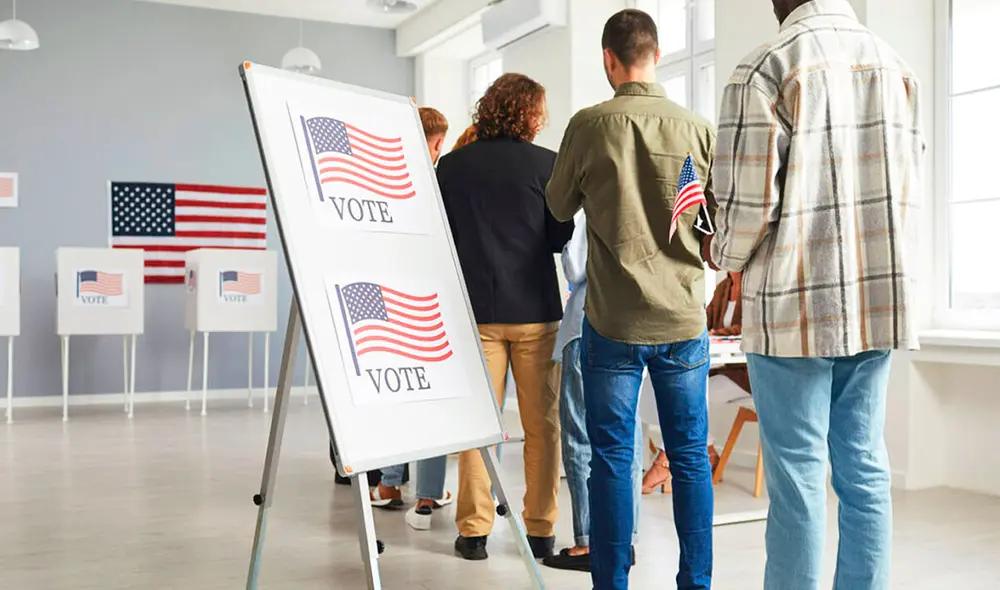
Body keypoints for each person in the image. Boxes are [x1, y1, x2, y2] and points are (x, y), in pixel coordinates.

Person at [707, 1, 925, 589]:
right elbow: (907, 187)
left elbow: (748, 207)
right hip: (877, 299)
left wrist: (719, 253)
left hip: (793, 302)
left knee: (799, 475)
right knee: (865, 468)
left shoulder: (766, 67)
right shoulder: (897, 66)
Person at [547, 9, 716, 589]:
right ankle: (696, 583)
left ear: (608, 60)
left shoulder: (588, 126)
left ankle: (611, 583)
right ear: (658, 54)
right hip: (682, 317)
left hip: (613, 319)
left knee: (612, 459)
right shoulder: (697, 129)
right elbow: (716, 223)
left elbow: (557, 207)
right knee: (690, 458)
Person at [436, 73, 574, 561]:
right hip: (535, 310)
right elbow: (560, 238)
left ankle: (474, 532)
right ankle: (540, 530)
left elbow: (440, 238)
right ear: (531, 114)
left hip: (473, 312)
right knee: (543, 426)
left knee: (477, 425)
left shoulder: (451, 167)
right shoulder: (547, 165)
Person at [543, 211, 643, 573]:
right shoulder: (653, 195)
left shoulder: (596, 204)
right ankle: (624, 539)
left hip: (590, 323)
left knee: (582, 436)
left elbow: (575, 269)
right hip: (638, 324)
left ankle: (588, 541)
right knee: (626, 434)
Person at [402, 122, 481, 531]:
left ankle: (425, 496)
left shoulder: (439, 183)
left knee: (436, 401)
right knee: (481, 410)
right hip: (477, 308)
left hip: (435, 305)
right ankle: (480, 506)